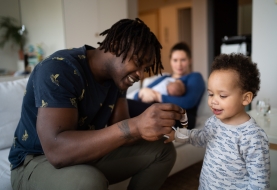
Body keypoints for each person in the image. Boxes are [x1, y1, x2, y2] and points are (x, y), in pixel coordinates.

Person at [8, 18, 186, 190]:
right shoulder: (59, 69)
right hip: (35, 161)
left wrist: (151, 128)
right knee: (88, 182)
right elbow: (57, 151)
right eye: (138, 62)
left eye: (145, 69)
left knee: (164, 151)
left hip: (84, 153)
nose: (140, 74)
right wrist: (134, 125)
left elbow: (122, 135)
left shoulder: (118, 78)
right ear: (116, 45)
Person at [165, 53, 271, 189]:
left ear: (245, 98)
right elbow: (201, 137)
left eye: (222, 95)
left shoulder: (253, 137)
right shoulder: (214, 121)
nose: (213, 101)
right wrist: (178, 135)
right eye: (211, 94)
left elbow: (259, 184)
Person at [130, 42, 205, 129]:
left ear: (190, 60)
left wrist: (157, 96)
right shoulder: (165, 78)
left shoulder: (194, 77)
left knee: (126, 105)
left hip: (181, 117)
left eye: (183, 60)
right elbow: (140, 93)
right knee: (124, 103)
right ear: (170, 61)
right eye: (175, 60)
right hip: (153, 109)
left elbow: (188, 102)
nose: (179, 64)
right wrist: (141, 93)